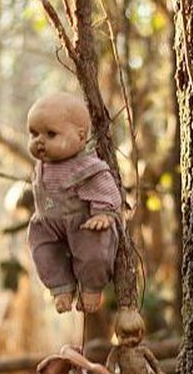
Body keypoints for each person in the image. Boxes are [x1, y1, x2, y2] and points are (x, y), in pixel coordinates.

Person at [26, 93, 122, 313]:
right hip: (48, 223)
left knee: (93, 249)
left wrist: (103, 212)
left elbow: (105, 188)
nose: (39, 141)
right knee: (43, 251)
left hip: (81, 221)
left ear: (80, 137)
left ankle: (91, 288)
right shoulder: (42, 165)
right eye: (33, 133)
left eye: (51, 134)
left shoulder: (86, 166)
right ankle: (61, 287)